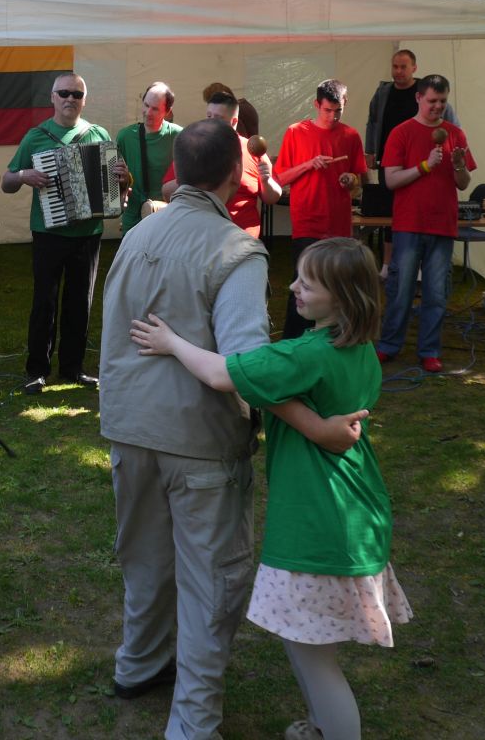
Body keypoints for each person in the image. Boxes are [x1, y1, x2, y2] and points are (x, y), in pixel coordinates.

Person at [100, 119, 359, 740]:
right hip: (198, 441)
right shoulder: (236, 250)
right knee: (211, 581)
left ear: (179, 169)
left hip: (129, 427)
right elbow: (249, 366)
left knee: (145, 557)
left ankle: (139, 663)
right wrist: (315, 423)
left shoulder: (136, 235)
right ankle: (192, 722)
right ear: (235, 175)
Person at [130, 237, 409, 740]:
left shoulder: (303, 355)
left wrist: (171, 342)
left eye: (308, 283)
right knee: (308, 644)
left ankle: (334, 731)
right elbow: (287, 397)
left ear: (343, 297)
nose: (293, 287)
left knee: (314, 658)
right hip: (356, 508)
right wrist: (310, 422)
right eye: (297, 276)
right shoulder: (360, 349)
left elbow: (220, 374)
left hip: (318, 520)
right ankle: (322, 727)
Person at [3, 73, 128, 394]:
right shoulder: (36, 137)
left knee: (80, 303)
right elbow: (7, 182)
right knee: (44, 302)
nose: (70, 98)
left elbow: (118, 186)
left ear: (84, 100)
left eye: (77, 94)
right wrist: (24, 174)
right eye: (64, 93)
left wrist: (123, 178)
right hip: (48, 231)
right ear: (53, 97)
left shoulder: (98, 134)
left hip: (88, 232)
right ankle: (37, 370)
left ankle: (73, 368)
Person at [376, 75, 474, 374]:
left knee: (436, 293)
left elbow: (463, 183)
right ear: (419, 98)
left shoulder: (455, 134)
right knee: (400, 289)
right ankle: (389, 345)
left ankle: (429, 351)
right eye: (432, 101)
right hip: (409, 223)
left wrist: (458, 165)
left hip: (442, 224)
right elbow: (391, 180)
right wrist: (424, 166)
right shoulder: (401, 132)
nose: (437, 107)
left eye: (442, 101)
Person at [274, 79, 369, 339]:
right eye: (328, 110)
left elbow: (359, 181)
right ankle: (293, 342)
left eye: (338, 111)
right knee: (303, 285)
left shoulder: (350, 136)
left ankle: (337, 339)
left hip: (338, 224)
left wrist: (350, 180)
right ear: (316, 105)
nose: (333, 117)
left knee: (339, 286)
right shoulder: (296, 132)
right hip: (307, 222)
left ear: (345, 104)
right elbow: (280, 178)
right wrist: (308, 164)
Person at [363, 51, 459, 273]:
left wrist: (452, 149)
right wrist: (370, 150)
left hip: (423, 160)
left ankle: (419, 265)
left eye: (403, 67)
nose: (398, 71)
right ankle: (387, 264)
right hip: (391, 160)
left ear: (414, 68)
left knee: (417, 210)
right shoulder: (383, 92)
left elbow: (451, 122)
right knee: (389, 211)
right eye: (395, 66)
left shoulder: (426, 91)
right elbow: (373, 121)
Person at [161, 84, 282, 237]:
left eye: (218, 118)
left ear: (234, 122)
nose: (211, 122)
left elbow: (272, 198)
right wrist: (196, 174)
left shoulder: (253, 151)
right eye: (209, 116)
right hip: (202, 237)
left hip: (242, 239)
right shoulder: (195, 147)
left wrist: (266, 180)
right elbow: (166, 193)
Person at [114, 82, 180, 234]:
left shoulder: (179, 137)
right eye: (146, 105)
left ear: (168, 111)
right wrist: (123, 181)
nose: (148, 112)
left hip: (165, 217)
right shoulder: (125, 137)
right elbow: (116, 178)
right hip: (133, 217)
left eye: (155, 108)